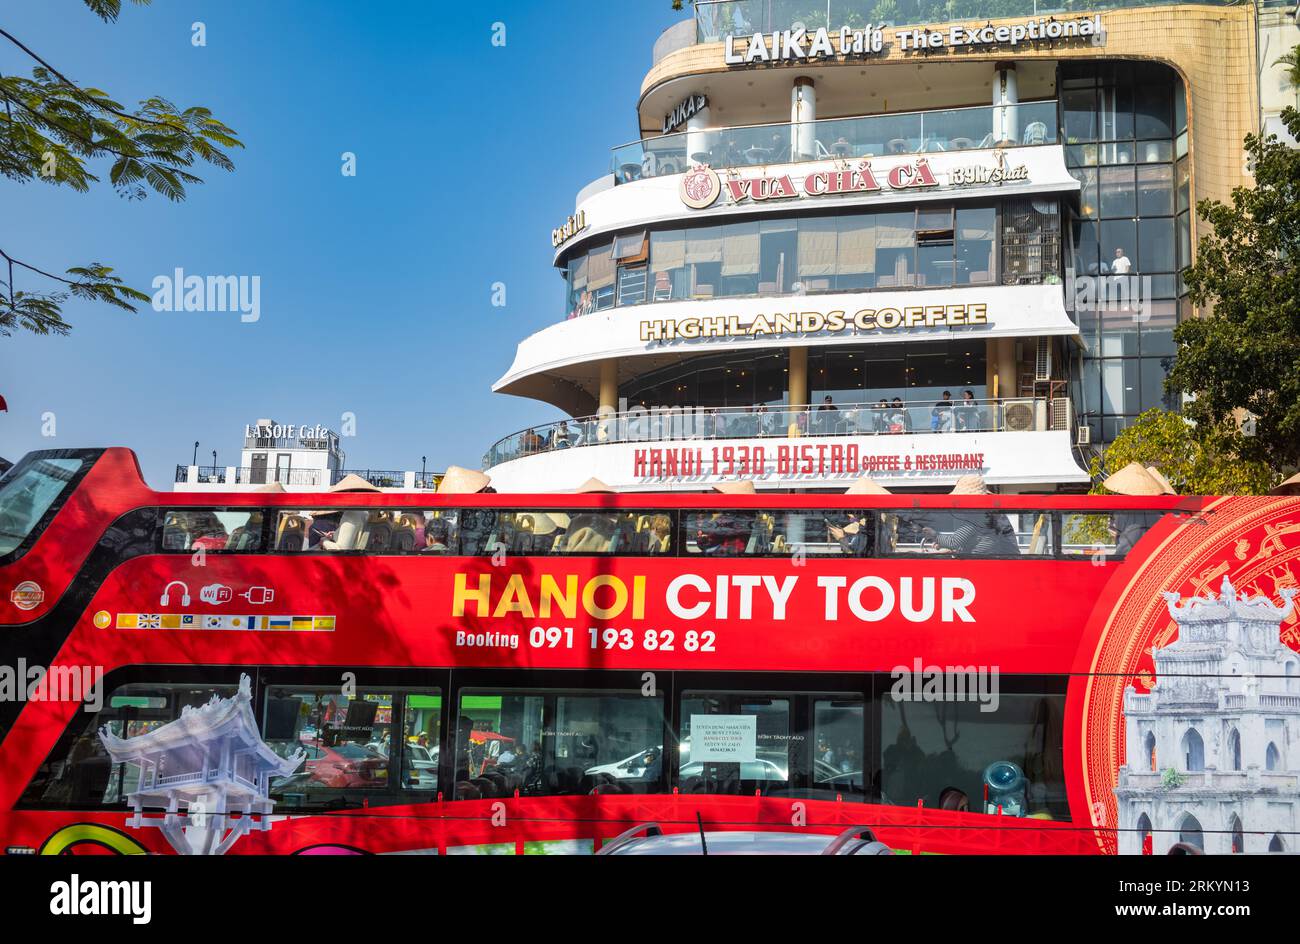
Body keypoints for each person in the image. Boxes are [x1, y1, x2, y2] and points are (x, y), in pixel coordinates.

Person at [922, 512, 1020, 556]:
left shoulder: (976, 519)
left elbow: (954, 542)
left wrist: (934, 535)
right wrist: (952, 550)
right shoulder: (988, 518)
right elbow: (971, 541)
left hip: (984, 566)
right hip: (996, 560)